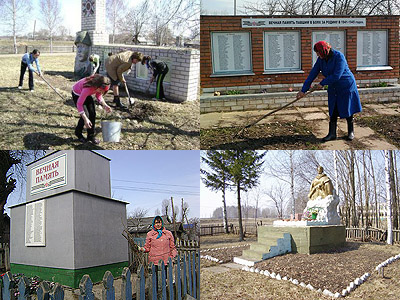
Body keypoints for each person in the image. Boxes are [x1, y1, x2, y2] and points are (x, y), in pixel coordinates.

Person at [297, 41, 362, 142]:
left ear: (324, 50)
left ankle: (350, 132)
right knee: (333, 109)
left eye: (318, 52)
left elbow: (337, 75)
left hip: (346, 86)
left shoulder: (339, 56)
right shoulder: (321, 60)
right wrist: (303, 90)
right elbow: (312, 74)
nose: (317, 55)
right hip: (333, 87)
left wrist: (322, 83)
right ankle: (332, 134)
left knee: (347, 108)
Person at [71, 74, 112, 144]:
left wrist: (105, 105)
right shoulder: (88, 88)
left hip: (87, 94)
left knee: (92, 113)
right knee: (85, 115)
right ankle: (78, 133)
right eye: (100, 90)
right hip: (78, 94)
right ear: (97, 86)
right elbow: (79, 104)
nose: (101, 92)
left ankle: (91, 135)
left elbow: (98, 95)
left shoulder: (100, 84)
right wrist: (86, 119)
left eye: (103, 91)